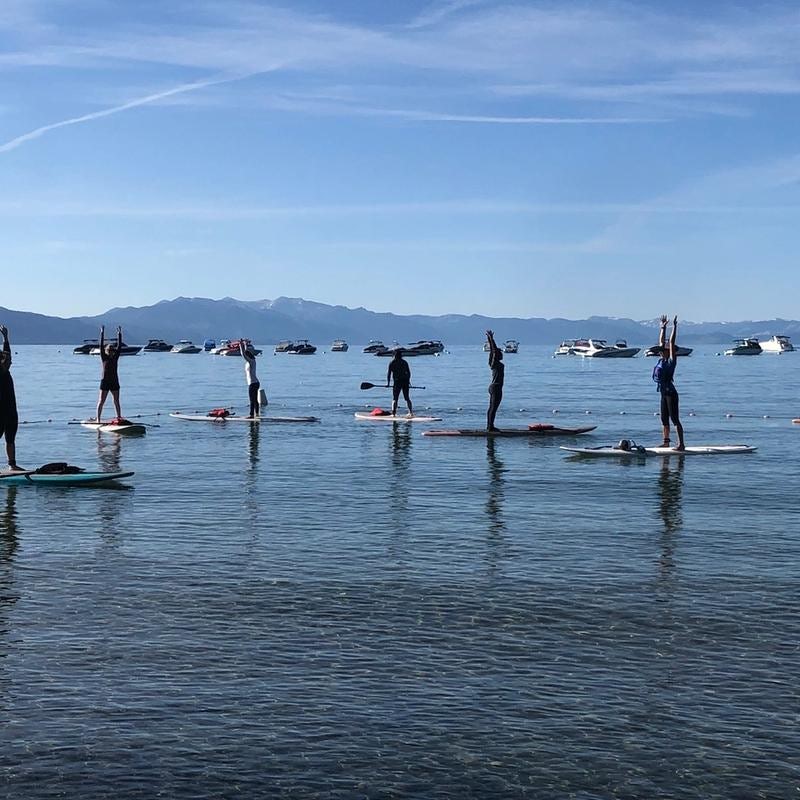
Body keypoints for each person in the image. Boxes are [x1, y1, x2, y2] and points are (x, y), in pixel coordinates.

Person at [654, 315, 685, 451]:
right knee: (664, 420)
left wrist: (674, 327)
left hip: (671, 394)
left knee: (674, 419)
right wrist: (663, 327)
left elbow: (671, 343)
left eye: (664, 350)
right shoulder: (661, 360)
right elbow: (661, 341)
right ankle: (666, 442)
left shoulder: (671, 361)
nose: (662, 351)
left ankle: (681, 444)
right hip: (662, 393)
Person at [0, 325, 23, 471]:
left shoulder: (6, 372)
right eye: (7, 361)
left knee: (10, 439)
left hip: (11, 411)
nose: (10, 362)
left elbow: (7, 353)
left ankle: (12, 465)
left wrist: (6, 338)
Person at [96, 325, 123, 423]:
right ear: (107, 351)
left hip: (114, 382)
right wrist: (102, 333)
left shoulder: (115, 358)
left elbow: (119, 347)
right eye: (109, 350)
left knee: (116, 401)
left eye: (113, 350)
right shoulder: (104, 357)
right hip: (105, 382)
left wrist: (119, 334)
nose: (111, 352)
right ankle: (98, 419)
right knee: (101, 401)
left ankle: (119, 417)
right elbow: (100, 345)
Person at [486, 329, 504, 431]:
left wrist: (491, 339)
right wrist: (491, 339)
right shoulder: (494, 363)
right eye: (500, 353)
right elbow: (493, 350)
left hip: (496, 387)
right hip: (496, 387)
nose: (502, 354)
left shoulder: (497, 363)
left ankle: (490, 426)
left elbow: (495, 350)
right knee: (493, 408)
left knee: (493, 408)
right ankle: (490, 427)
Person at [386, 348, 413, 417]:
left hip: (397, 382)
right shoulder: (404, 362)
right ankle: (410, 412)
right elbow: (409, 373)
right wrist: (408, 380)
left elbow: (389, 374)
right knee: (407, 398)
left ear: (395, 355)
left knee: (395, 398)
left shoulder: (392, 363)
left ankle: (394, 414)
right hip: (405, 381)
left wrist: (388, 383)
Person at [240, 339, 261, 418]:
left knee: (252, 400)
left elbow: (243, 354)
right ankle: (257, 414)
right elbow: (246, 352)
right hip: (255, 383)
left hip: (253, 383)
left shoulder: (251, 361)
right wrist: (245, 344)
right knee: (255, 400)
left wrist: (240, 344)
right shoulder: (252, 361)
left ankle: (251, 415)